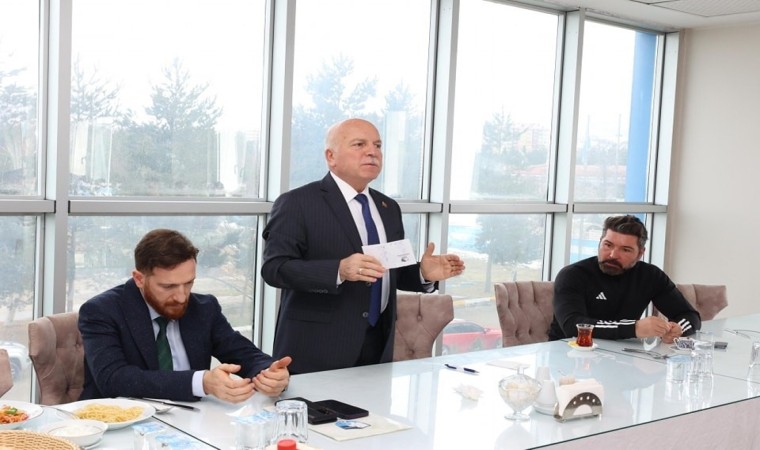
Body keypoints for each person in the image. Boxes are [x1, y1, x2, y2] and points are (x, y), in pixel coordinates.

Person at [261, 118, 465, 374]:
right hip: (317, 348)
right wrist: (338, 270)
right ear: (331, 156)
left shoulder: (388, 207)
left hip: (378, 344)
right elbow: (275, 268)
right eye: (359, 144)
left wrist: (423, 273)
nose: (372, 152)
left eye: (377, 145)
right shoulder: (297, 203)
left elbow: (388, 270)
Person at [79, 229, 292, 403]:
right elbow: (113, 379)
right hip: (119, 424)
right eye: (168, 286)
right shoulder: (101, 311)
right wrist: (202, 382)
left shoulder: (204, 308)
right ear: (139, 279)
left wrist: (270, 373)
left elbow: (243, 353)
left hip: (191, 421)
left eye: (188, 283)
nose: (181, 297)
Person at [548, 215, 700, 344]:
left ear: (640, 253)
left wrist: (678, 329)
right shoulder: (573, 275)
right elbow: (573, 326)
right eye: (608, 245)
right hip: (568, 354)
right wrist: (634, 328)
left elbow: (690, 315)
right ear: (600, 242)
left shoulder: (650, 276)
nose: (613, 255)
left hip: (622, 354)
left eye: (625, 250)